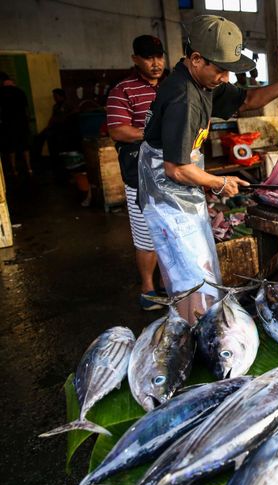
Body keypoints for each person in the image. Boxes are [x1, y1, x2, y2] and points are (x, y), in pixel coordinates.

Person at [138, 15, 278, 323]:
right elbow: (176, 168)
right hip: (167, 191)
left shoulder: (204, 80)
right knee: (191, 273)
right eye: (221, 70)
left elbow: (247, 100)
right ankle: (197, 336)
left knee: (202, 262)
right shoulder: (183, 98)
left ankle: (204, 323)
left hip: (184, 185)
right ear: (196, 59)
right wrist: (218, 182)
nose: (226, 78)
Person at [106, 35, 166, 311]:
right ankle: (148, 290)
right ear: (135, 59)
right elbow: (118, 129)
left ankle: (168, 284)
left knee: (170, 231)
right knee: (146, 235)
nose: (155, 63)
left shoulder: (171, 86)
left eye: (159, 57)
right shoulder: (123, 90)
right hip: (139, 174)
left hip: (173, 172)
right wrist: (155, 135)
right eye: (148, 58)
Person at [0, 72, 32, 177]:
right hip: (22, 123)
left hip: (8, 124)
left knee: (11, 147)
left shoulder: (1, 92)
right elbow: (27, 109)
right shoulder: (20, 91)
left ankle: (14, 169)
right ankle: (29, 168)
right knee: (25, 146)